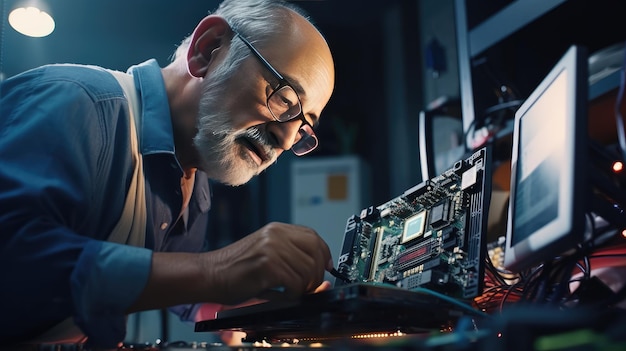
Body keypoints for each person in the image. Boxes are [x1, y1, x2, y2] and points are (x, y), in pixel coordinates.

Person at [0, 0, 335, 348]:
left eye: (303, 128)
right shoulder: (77, 104)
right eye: (284, 99)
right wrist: (215, 272)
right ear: (209, 50)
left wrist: (234, 309)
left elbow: (175, 283)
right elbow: (12, 262)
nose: (284, 138)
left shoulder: (193, 178)